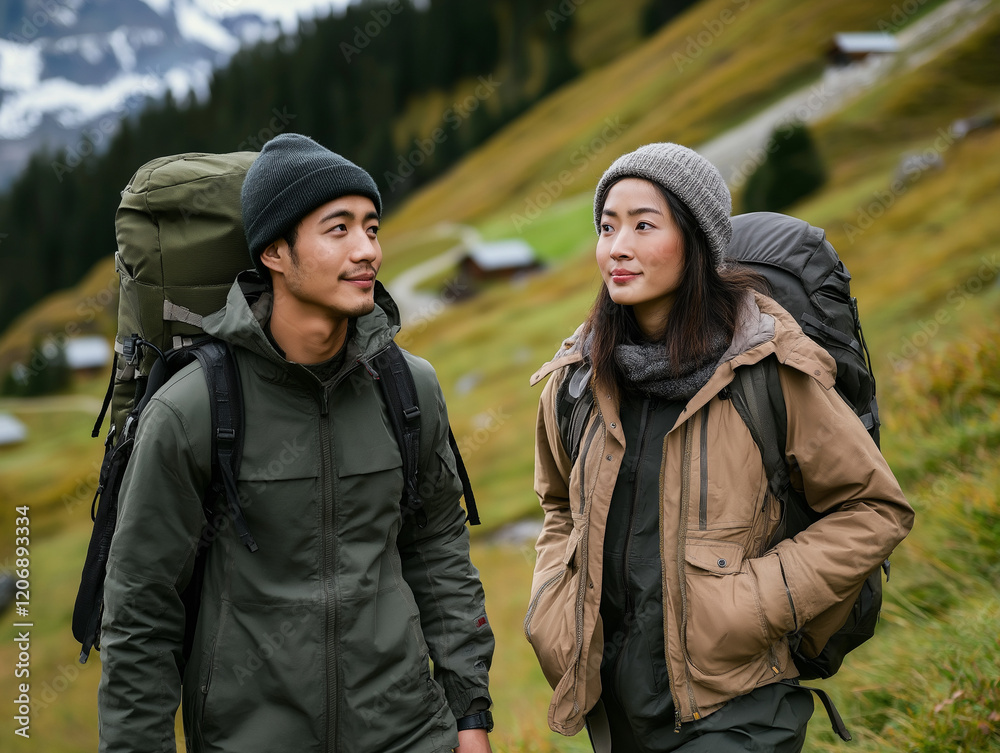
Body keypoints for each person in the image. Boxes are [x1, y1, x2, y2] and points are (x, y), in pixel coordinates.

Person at [98, 134, 495, 753]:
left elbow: (438, 549)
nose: (367, 250)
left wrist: (469, 714)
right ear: (275, 252)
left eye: (372, 227)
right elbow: (141, 616)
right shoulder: (193, 410)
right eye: (339, 229)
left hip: (411, 735)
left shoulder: (407, 389)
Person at [525, 142, 913, 752]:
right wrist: (552, 605)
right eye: (607, 227)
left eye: (643, 225)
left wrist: (749, 604)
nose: (617, 246)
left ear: (698, 242)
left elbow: (874, 509)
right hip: (619, 713)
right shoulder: (577, 380)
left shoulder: (767, 370)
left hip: (740, 709)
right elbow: (557, 508)